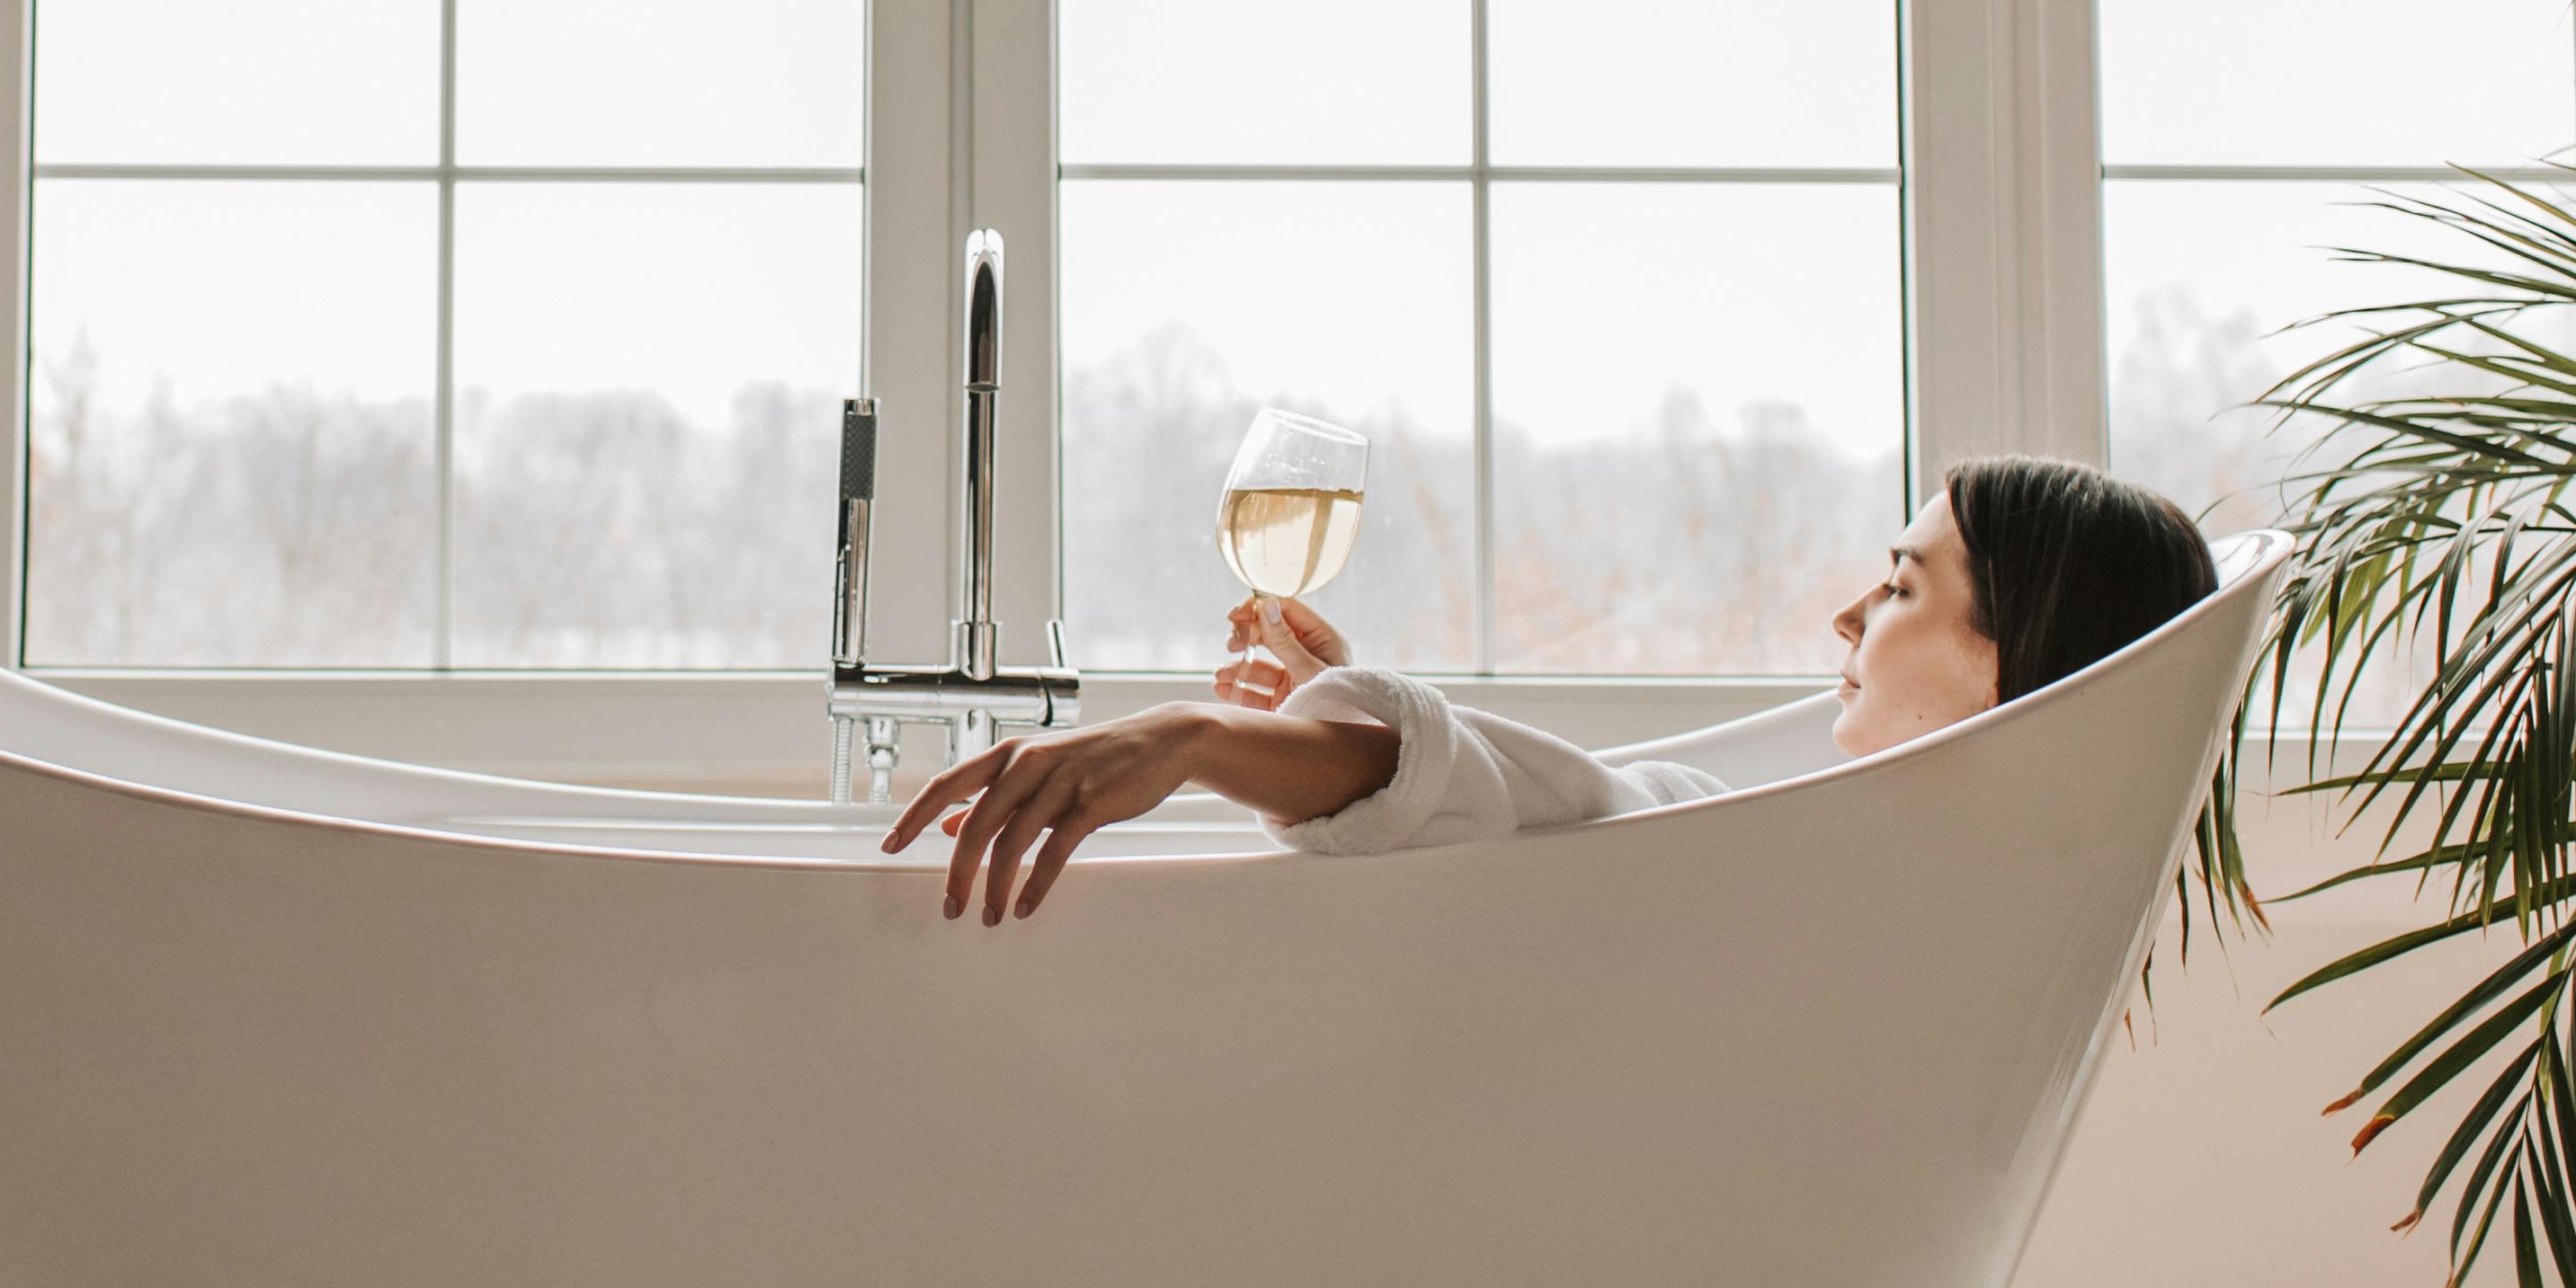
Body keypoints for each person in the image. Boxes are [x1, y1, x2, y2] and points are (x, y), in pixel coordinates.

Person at [883, 455, 2221, 926]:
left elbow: (1567, 820)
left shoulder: (1805, 884)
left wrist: (1201, 739)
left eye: (1903, 586)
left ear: (2013, 662)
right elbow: (1559, 811)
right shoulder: (1845, 877)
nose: (1846, 614)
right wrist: (1330, 708)